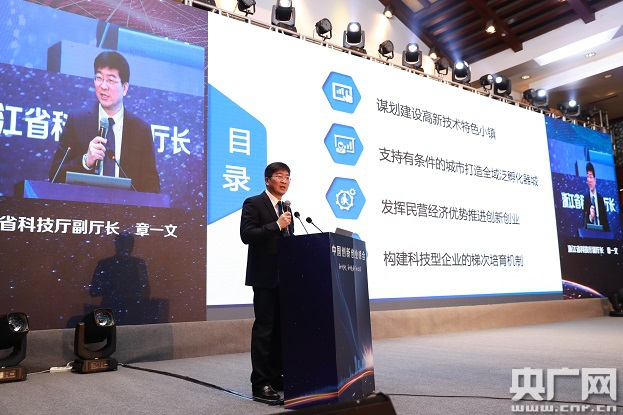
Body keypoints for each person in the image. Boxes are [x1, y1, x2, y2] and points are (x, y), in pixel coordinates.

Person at [48, 50, 160, 193]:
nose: (103, 86)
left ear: (124, 88)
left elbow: (151, 185)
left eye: (111, 80)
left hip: (124, 206)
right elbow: (55, 175)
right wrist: (85, 161)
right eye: (99, 78)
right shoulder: (77, 121)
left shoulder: (140, 130)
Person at [240, 162, 294, 401]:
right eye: (279, 176)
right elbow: (247, 234)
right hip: (264, 278)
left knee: (281, 331)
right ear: (267, 180)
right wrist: (276, 225)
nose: (284, 181)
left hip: (286, 280)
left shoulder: (286, 208)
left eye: (288, 177)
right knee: (264, 331)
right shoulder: (254, 203)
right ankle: (260, 383)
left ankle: (276, 376)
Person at [583, 162, 609, 232]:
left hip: (602, 235)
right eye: (587, 177)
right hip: (590, 235)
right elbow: (584, 224)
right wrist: (590, 218)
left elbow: (605, 221)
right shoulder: (586, 198)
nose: (589, 180)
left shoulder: (600, 198)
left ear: (595, 179)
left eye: (591, 177)